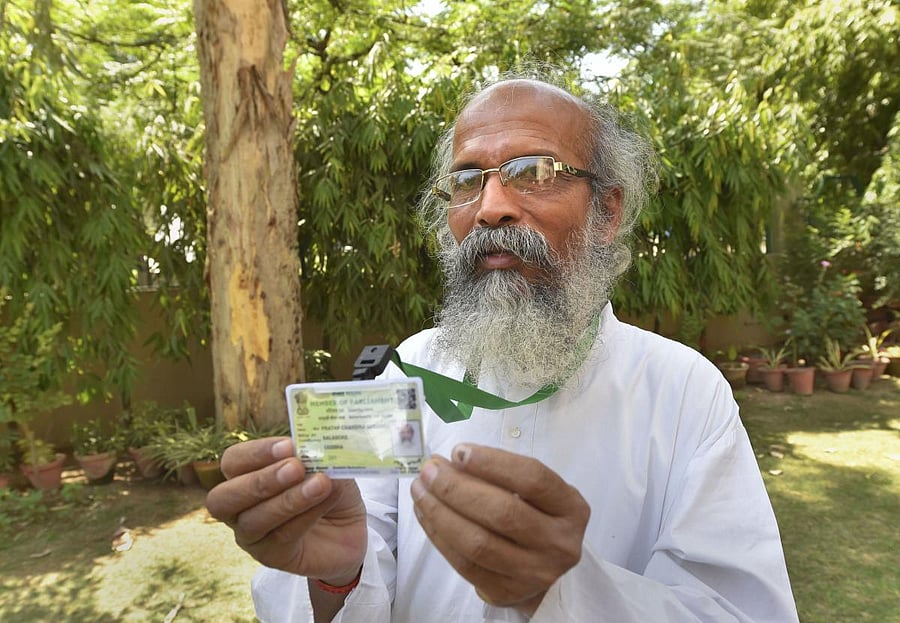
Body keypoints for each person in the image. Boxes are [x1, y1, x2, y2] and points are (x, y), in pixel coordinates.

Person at [206, 71, 799, 623]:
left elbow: (737, 610)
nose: (490, 208)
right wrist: (337, 574)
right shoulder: (407, 370)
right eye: (468, 181)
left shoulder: (684, 390)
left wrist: (564, 590)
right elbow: (353, 554)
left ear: (607, 211)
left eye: (536, 171)